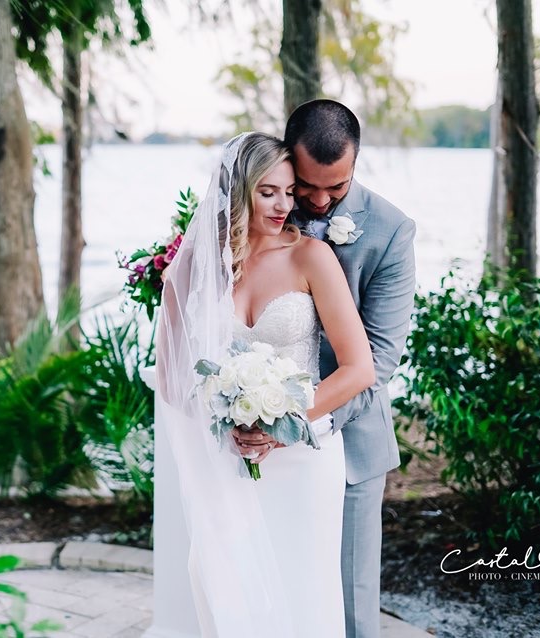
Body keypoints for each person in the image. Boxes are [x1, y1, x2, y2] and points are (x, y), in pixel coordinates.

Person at [156, 131, 374, 637]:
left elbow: (358, 368)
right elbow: (171, 377)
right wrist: (224, 421)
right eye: (267, 191)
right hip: (229, 459)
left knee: (303, 592)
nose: (283, 205)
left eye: (289, 191)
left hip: (304, 457)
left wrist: (284, 425)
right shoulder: (196, 267)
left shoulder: (311, 257)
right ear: (238, 192)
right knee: (221, 586)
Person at [280, 99, 416, 638]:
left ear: (355, 163)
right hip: (254, 434)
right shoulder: (265, 207)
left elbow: (378, 361)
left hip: (351, 438)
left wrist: (298, 421)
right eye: (306, 186)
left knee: (353, 604)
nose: (316, 201)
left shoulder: (390, 231)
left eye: (335, 189)